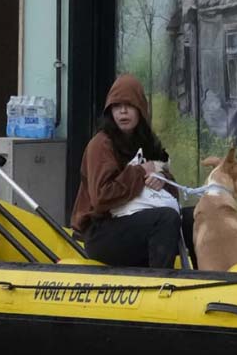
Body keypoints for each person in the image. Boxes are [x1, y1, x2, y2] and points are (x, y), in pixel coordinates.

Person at [71, 74, 182, 269]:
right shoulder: (101, 144)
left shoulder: (148, 142)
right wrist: (139, 173)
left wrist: (162, 179)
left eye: (129, 106)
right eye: (116, 106)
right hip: (102, 232)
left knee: (191, 217)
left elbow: (173, 195)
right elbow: (102, 197)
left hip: (136, 222)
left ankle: (206, 277)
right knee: (166, 219)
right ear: (110, 111)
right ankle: (160, 284)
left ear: (140, 110)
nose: (122, 112)